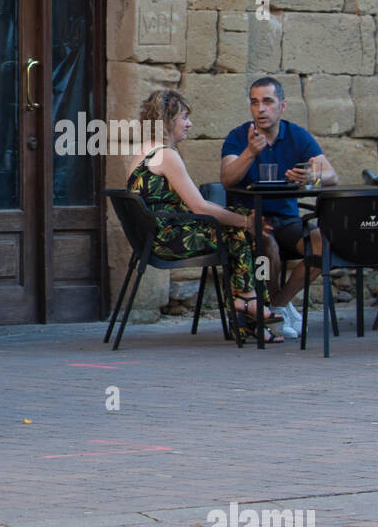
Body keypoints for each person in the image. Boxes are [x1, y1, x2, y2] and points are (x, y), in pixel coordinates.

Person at [128, 89, 276, 339]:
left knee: (241, 227)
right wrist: (245, 222)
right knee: (243, 234)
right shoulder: (166, 155)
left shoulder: (145, 152)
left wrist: (241, 219)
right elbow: (201, 207)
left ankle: (248, 317)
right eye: (184, 117)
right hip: (170, 241)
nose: (189, 124)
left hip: (155, 237)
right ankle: (251, 305)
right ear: (167, 121)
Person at [221, 77, 336, 326]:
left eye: (267, 101)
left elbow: (332, 176)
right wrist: (250, 153)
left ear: (282, 106)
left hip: (288, 219)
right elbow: (228, 180)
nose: (260, 109)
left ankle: (277, 306)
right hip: (251, 221)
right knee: (267, 247)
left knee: (322, 245)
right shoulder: (239, 137)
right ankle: (273, 311)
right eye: (255, 102)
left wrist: (311, 177)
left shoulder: (297, 136)